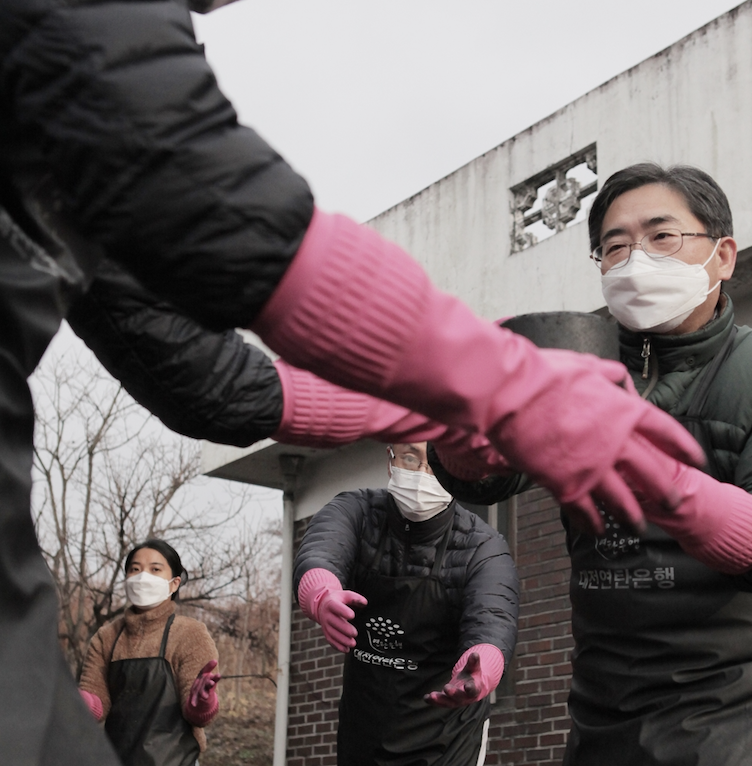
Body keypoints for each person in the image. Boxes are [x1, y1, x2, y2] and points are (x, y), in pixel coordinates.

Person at [0, 1, 704, 761]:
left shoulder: (478, 547)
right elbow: (236, 218)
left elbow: (197, 375)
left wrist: (425, 409)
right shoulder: (97, 32)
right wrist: (503, 384)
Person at [432, 164, 752, 766]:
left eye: (662, 236)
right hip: (605, 687)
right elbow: (482, 477)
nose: (635, 261)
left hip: (738, 691)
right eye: (615, 247)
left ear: (723, 256)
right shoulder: (581, 360)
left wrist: (643, 463)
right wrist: (464, 419)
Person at [294, 442, 519, 766]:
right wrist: (321, 595)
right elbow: (321, 549)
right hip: (364, 733)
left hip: (447, 741)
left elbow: (493, 616)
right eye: (410, 458)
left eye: (437, 463)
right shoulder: (356, 513)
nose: (423, 473)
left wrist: (482, 669)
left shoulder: (483, 547)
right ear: (390, 459)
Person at [78, 540, 221, 766]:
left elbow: (199, 717)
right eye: (135, 569)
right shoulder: (106, 637)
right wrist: (75, 699)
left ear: (174, 584)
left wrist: (202, 703)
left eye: (155, 569)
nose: (143, 577)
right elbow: (95, 704)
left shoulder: (189, 634)